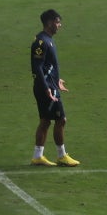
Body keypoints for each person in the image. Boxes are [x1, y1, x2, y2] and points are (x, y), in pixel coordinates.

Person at [29, 9, 77, 167]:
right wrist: (47, 88)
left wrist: (57, 80)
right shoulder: (41, 42)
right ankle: (61, 155)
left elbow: (47, 67)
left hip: (49, 85)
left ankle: (38, 156)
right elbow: (37, 67)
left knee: (45, 121)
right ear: (49, 23)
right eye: (57, 22)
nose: (59, 25)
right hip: (46, 88)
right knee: (61, 119)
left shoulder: (47, 39)